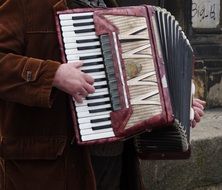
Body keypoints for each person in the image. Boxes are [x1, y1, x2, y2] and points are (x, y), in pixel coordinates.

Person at [0, 0, 205, 190]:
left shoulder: (110, 5)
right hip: (51, 167)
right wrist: (53, 75)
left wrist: (177, 105)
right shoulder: (24, 4)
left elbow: (133, 86)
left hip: (113, 159)